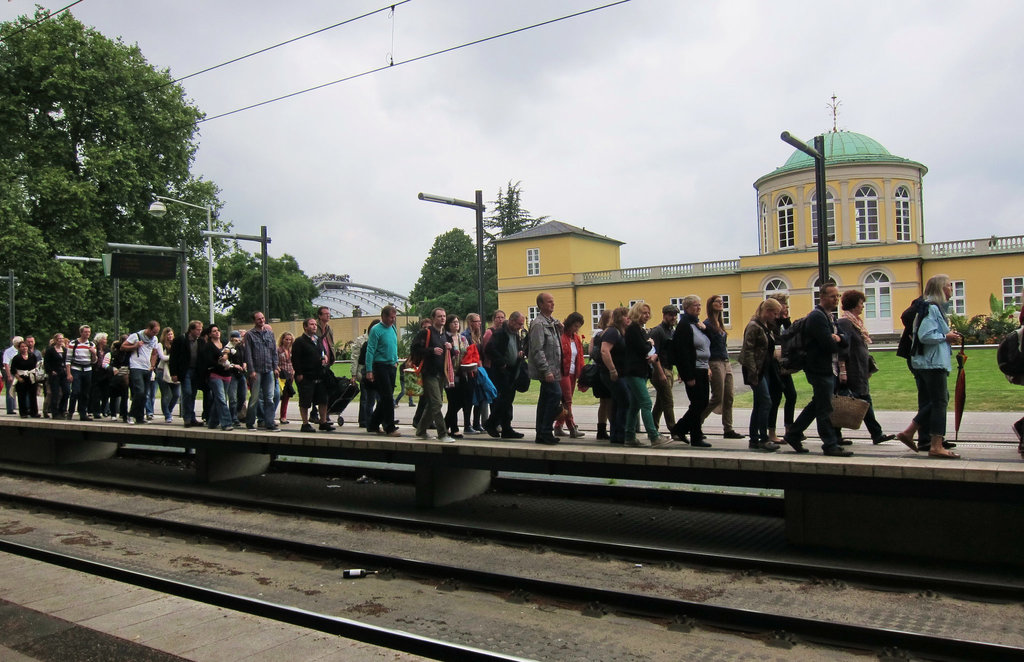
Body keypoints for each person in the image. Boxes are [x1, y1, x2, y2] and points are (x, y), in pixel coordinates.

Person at [896, 275, 962, 459]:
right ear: (941, 288)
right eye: (949, 286)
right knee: (940, 402)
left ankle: (910, 432)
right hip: (933, 363)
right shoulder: (932, 308)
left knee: (937, 399)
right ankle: (936, 445)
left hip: (928, 362)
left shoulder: (929, 307)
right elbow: (926, 335)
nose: (951, 289)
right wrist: (946, 337)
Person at [782, 284, 851, 456]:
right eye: (832, 296)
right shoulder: (817, 317)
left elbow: (846, 338)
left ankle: (794, 433)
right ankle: (829, 444)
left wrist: (838, 338)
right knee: (824, 407)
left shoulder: (830, 317)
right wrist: (838, 340)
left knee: (818, 404)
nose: (836, 299)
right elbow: (828, 345)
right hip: (818, 368)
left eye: (837, 296)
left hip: (828, 367)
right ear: (822, 297)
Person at [837, 290, 894, 445]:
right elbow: (843, 347)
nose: (862, 306)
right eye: (861, 303)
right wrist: (843, 370)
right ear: (854, 304)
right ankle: (836, 434)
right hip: (852, 369)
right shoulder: (845, 323)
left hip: (859, 369)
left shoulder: (856, 322)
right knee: (847, 400)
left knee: (864, 400)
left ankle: (876, 433)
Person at [740, 299, 783, 451]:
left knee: (759, 404)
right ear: (767, 311)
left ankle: (754, 439)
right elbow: (748, 351)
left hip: (764, 369)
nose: (776, 316)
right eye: (775, 313)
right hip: (756, 371)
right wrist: (753, 374)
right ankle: (762, 438)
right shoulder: (754, 326)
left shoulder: (766, 326)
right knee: (765, 402)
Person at [671, 295, 713, 448]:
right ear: (687, 307)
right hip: (693, 370)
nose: (699, 308)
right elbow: (682, 353)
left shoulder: (697, 324)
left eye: (699, 305)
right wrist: (688, 375)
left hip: (702, 368)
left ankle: (688, 431)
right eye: (695, 305)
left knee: (701, 403)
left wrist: (706, 329)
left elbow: (710, 341)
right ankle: (685, 431)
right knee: (698, 403)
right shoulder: (684, 325)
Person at [623, 302, 665, 447]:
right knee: (646, 403)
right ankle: (654, 436)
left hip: (640, 371)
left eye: (648, 313)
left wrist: (650, 346)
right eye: (643, 313)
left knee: (635, 405)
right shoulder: (633, 329)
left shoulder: (640, 329)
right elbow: (642, 348)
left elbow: (644, 348)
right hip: (634, 371)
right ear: (636, 313)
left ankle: (629, 436)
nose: (646, 315)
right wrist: (651, 344)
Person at [702, 295, 743, 439]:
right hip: (714, 362)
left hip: (726, 361)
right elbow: (703, 346)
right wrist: (706, 366)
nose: (721, 303)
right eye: (717, 301)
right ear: (711, 304)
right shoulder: (706, 324)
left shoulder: (720, 323)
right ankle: (696, 422)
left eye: (721, 301)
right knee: (717, 397)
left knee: (729, 396)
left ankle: (728, 428)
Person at [411, 308, 453, 442]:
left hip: (441, 373)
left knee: (432, 404)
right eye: (439, 316)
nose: (442, 318)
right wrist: (431, 350)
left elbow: (449, 355)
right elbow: (415, 348)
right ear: (433, 318)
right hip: (429, 372)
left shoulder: (446, 335)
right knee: (437, 403)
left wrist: (450, 349)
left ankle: (421, 430)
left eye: (444, 316)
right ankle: (443, 433)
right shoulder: (426, 333)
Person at [483, 311, 525, 439]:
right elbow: (489, 349)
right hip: (502, 371)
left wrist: (519, 353)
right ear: (511, 321)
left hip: (512, 370)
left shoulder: (515, 334)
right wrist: (501, 363)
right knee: (504, 399)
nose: (520, 327)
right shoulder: (500, 333)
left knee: (508, 400)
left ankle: (506, 428)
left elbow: (513, 348)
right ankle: (491, 423)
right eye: (519, 324)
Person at [528, 292, 563, 445]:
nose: (552, 304)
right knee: (555, 395)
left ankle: (541, 433)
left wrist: (560, 329)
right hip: (548, 370)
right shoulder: (538, 324)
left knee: (545, 400)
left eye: (553, 301)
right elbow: (537, 349)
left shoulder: (552, 322)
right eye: (549, 302)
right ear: (541, 305)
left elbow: (555, 344)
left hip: (554, 369)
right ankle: (546, 431)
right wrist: (546, 370)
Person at [292, 317, 333, 433]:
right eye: (311, 324)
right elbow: (295, 359)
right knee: (305, 400)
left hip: (320, 374)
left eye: (315, 324)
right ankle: (305, 423)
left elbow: (322, 351)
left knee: (323, 399)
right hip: (306, 375)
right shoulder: (299, 342)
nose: (314, 326)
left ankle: (323, 421)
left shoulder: (318, 339)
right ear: (305, 327)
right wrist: (299, 373)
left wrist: (324, 356)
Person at [766, 293, 797, 444]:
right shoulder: (770, 323)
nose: (787, 307)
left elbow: (792, 336)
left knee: (791, 395)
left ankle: (789, 429)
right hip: (772, 365)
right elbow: (778, 340)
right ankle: (771, 431)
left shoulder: (781, 321)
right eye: (784, 304)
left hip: (783, 364)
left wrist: (786, 320)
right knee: (775, 397)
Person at [365, 305, 401, 437]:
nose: (393, 320)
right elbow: (370, 350)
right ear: (384, 316)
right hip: (380, 365)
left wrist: (396, 360)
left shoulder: (392, 328)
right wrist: (369, 370)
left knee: (386, 398)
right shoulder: (376, 330)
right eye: (391, 317)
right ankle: (390, 427)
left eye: (394, 317)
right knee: (387, 397)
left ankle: (373, 424)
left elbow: (394, 345)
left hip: (391, 365)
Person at [599, 306, 630, 445]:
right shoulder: (612, 332)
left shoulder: (622, 332)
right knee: (625, 400)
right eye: (625, 315)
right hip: (612, 374)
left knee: (618, 402)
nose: (628, 318)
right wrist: (612, 370)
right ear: (619, 318)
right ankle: (620, 432)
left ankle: (616, 435)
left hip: (622, 373)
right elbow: (605, 351)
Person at [244, 311, 279, 432]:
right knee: (254, 398)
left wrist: (275, 367)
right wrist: (251, 370)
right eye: (259, 319)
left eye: (263, 318)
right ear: (254, 321)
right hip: (256, 370)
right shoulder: (249, 335)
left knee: (270, 397)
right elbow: (248, 354)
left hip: (269, 369)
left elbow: (274, 351)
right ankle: (250, 422)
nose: (261, 320)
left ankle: (269, 423)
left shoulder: (270, 333)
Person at [553, 312, 586, 439]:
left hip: (572, 372)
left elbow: (580, 356)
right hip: (563, 372)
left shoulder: (576, 338)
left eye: (578, 327)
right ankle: (572, 427)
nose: (576, 329)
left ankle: (558, 425)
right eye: (575, 326)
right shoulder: (561, 337)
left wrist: (581, 373)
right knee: (568, 401)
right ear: (570, 324)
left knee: (567, 399)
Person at [121, 321, 160, 425]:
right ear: (149, 329)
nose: (154, 335)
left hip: (147, 368)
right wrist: (135, 346)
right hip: (136, 366)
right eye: (153, 332)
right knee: (139, 391)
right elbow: (123, 347)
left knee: (144, 394)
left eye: (156, 333)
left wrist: (152, 365)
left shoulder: (154, 339)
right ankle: (131, 414)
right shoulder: (136, 336)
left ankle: (139, 417)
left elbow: (154, 353)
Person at [200, 324, 235, 431]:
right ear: (210, 334)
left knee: (219, 400)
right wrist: (220, 362)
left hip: (227, 374)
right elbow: (208, 361)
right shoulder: (208, 346)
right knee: (221, 398)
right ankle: (226, 423)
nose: (217, 332)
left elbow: (233, 353)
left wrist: (228, 358)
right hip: (215, 374)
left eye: (218, 330)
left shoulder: (225, 343)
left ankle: (212, 422)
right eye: (214, 331)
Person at [648, 305, 677, 433]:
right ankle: (674, 429)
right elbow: (654, 354)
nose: (673, 317)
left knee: (661, 401)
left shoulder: (671, 331)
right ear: (664, 315)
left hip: (669, 368)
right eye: (671, 315)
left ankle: (653, 428)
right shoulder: (657, 331)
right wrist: (660, 373)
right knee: (668, 401)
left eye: (675, 315)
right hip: (661, 369)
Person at [169, 320, 203, 427]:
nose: (199, 332)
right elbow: (173, 357)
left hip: (195, 370)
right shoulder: (180, 340)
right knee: (187, 393)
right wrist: (173, 373)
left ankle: (192, 417)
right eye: (198, 329)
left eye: (200, 330)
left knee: (193, 394)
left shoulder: (200, 341)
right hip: (185, 370)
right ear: (191, 329)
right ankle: (187, 417)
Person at [443, 315, 469, 439]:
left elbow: (467, 352)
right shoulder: (445, 338)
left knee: (462, 400)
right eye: (453, 322)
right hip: (449, 373)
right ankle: (454, 428)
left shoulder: (462, 338)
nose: (456, 324)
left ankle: (444, 424)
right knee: (453, 401)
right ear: (448, 324)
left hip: (462, 372)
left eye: (457, 322)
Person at [461, 312, 486, 434]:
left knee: (480, 396)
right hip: (470, 370)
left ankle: (477, 423)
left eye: (480, 321)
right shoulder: (465, 336)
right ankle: (467, 425)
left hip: (479, 369)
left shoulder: (478, 335)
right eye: (477, 321)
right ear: (470, 322)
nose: (479, 323)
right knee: (469, 398)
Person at [66, 325, 97, 421]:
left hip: (87, 369)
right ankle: (70, 411)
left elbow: (94, 361)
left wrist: (93, 353)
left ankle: (83, 413)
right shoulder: (73, 343)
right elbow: (68, 360)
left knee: (85, 393)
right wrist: (69, 373)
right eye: (85, 332)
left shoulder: (91, 344)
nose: (87, 334)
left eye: (89, 332)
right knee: (75, 391)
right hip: (76, 369)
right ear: (81, 333)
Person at [590, 309, 613, 440]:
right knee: (609, 401)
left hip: (597, 370)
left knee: (603, 402)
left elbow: (591, 351)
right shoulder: (606, 333)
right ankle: (612, 427)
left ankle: (601, 429)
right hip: (605, 370)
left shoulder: (596, 333)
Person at [155, 327, 180, 423]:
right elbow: (163, 357)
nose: (170, 336)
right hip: (162, 372)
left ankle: (168, 411)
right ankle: (167, 415)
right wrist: (173, 357)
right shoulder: (160, 345)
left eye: (171, 334)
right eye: (168, 334)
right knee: (166, 394)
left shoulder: (176, 345)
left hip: (173, 371)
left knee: (176, 394)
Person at [10, 339, 39, 418]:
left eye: (25, 346)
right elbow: (13, 369)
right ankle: (23, 413)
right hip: (21, 378)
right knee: (21, 395)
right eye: (22, 347)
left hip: (31, 377)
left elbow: (36, 366)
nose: (24, 348)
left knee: (33, 395)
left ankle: (34, 412)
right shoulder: (17, 358)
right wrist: (18, 377)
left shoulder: (32, 356)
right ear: (19, 348)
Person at [44, 332, 69, 419]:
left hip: (63, 373)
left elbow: (67, 361)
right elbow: (46, 363)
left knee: (66, 392)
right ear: (55, 340)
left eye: (62, 339)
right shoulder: (50, 350)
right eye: (59, 339)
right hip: (55, 374)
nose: (61, 341)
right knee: (55, 393)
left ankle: (62, 410)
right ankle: (55, 412)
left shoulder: (65, 350)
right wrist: (51, 371)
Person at [89, 333, 111, 419]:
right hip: (96, 373)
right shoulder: (95, 348)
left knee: (106, 393)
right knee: (96, 393)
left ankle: (104, 409)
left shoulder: (107, 350)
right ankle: (96, 411)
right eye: (104, 339)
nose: (105, 341)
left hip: (105, 373)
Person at [277, 331, 295, 425]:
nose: (288, 341)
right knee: (277, 395)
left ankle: (283, 416)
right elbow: (275, 362)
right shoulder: (278, 350)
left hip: (290, 375)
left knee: (286, 396)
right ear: (282, 340)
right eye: (286, 339)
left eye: (290, 339)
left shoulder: (292, 350)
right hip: (281, 376)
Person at [3, 336, 20, 415]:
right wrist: (9, 375)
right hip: (10, 371)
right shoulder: (9, 351)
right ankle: (10, 408)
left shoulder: (21, 351)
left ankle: (15, 406)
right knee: (10, 390)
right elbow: (6, 363)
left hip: (19, 371)